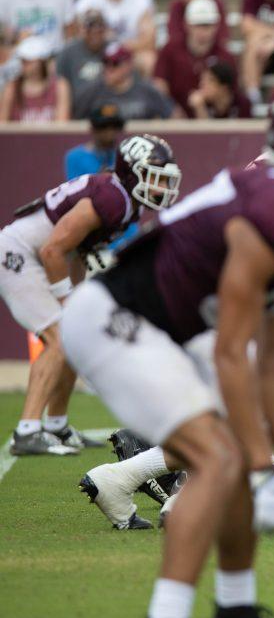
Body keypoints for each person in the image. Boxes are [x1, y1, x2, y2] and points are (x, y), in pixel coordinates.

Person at [61, 81, 274, 618]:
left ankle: (236, 614)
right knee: (223, 459)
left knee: (234, 453)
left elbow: (271, 345)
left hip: (169, 324)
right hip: (122, 320)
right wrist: (267, 470)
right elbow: (235, 349)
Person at [1, 134, 180, 458]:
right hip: (18, 255)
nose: (160, 186)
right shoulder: (112, 197)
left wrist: (77, 301)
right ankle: (27, 430)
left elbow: (74, 253)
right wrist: (65, 299)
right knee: (60, 337)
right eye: (153, 175)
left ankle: (56, 425)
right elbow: (53, 248)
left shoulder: (124, 201)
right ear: (131, 172)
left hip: (37, 256)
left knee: (73, 334)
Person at [153, 0, 238, 117]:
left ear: (216, 26)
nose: (202, 31)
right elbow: (159, 84)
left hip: (213, 120)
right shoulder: (170, 50)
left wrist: (207, 100)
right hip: (174, 118)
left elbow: (229, 96)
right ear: (187, 25)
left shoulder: (225, 56)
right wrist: (170, 109)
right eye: (197, 24)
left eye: (207, 25)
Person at [74, 44, 175, 120]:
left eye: (115, 63)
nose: (108, 69)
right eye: (105, 63)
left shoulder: (146, 91)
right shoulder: (92, 93)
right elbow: (75, 122)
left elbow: (173, 117)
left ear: (128, 65)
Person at [73, 0, 156, 74]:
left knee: (149, 60)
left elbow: (149, 41)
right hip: (97, 53)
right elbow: (79, 36)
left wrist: (117, 45)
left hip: (130, 53)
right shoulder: (87, 1)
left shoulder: (141, 0)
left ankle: (143, 89)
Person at [0, 36, 69, 123]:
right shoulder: (11, 88)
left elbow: (62, 127)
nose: (23, 65)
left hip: (50, 137)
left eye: (28, 61)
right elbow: (2, 126)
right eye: (22, 60)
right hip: (19, 137)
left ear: (41, 62)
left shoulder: (59, 86)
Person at [57, 10, 112, 110]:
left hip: (110, 109)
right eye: (90, 29)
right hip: (79, 110)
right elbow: (62, 87)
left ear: (105, 29)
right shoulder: (68, 53)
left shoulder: (114, 49)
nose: (95, 33)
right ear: (82, 30)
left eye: (99, 29)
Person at [64, 105, 125, 179]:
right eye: (103, 126)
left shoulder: (125, 155)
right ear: (92, 129)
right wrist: (98, 180)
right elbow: (74, 188)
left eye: (115, 126)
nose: (110, 131)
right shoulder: (75, 157)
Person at [0, 0, 75, 52]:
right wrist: (16, 38)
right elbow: (3, 39)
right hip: (19, 59)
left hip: (54, 56)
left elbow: (71, 34)